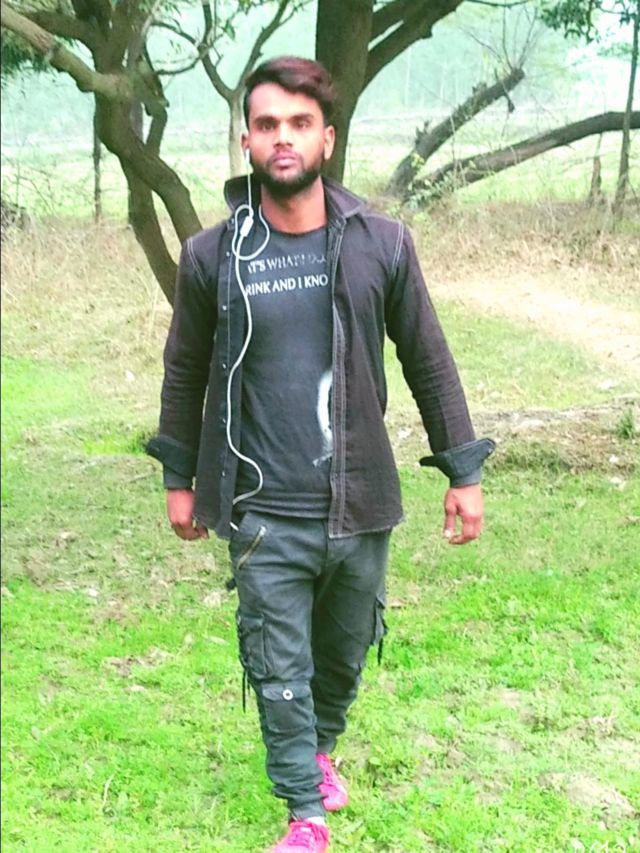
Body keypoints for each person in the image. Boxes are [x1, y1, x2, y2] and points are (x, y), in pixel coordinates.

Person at [147, 56, 494, 853]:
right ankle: (305, 813)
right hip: (262, 508)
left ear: (326, 139)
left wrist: (462, 469)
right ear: (246, 140)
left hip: (359, 497)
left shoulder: (382, 244)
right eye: (267, 124)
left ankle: (322, 746)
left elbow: (429, 359)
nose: (283, 138)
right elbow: (185, 368)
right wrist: (178, 475)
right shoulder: (214, 256)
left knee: (342, 653)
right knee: (278, 664)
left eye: (299, 123)